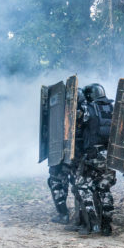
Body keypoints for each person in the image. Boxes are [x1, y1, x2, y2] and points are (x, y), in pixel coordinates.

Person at [72, 83, 117, 235]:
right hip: (110, 156)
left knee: (82, 186)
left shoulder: (88, 109)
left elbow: (72, 120)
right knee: (104, 189)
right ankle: (107, 226)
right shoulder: (114, 110)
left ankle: (92, 221)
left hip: (93, 156)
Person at [47, 88, 85, 224]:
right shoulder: (86, 113)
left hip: (68, 156)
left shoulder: (76, 114)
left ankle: (66, 214)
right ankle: (79, 217)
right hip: (73, 157)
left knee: (58, 183)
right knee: (75, 185)